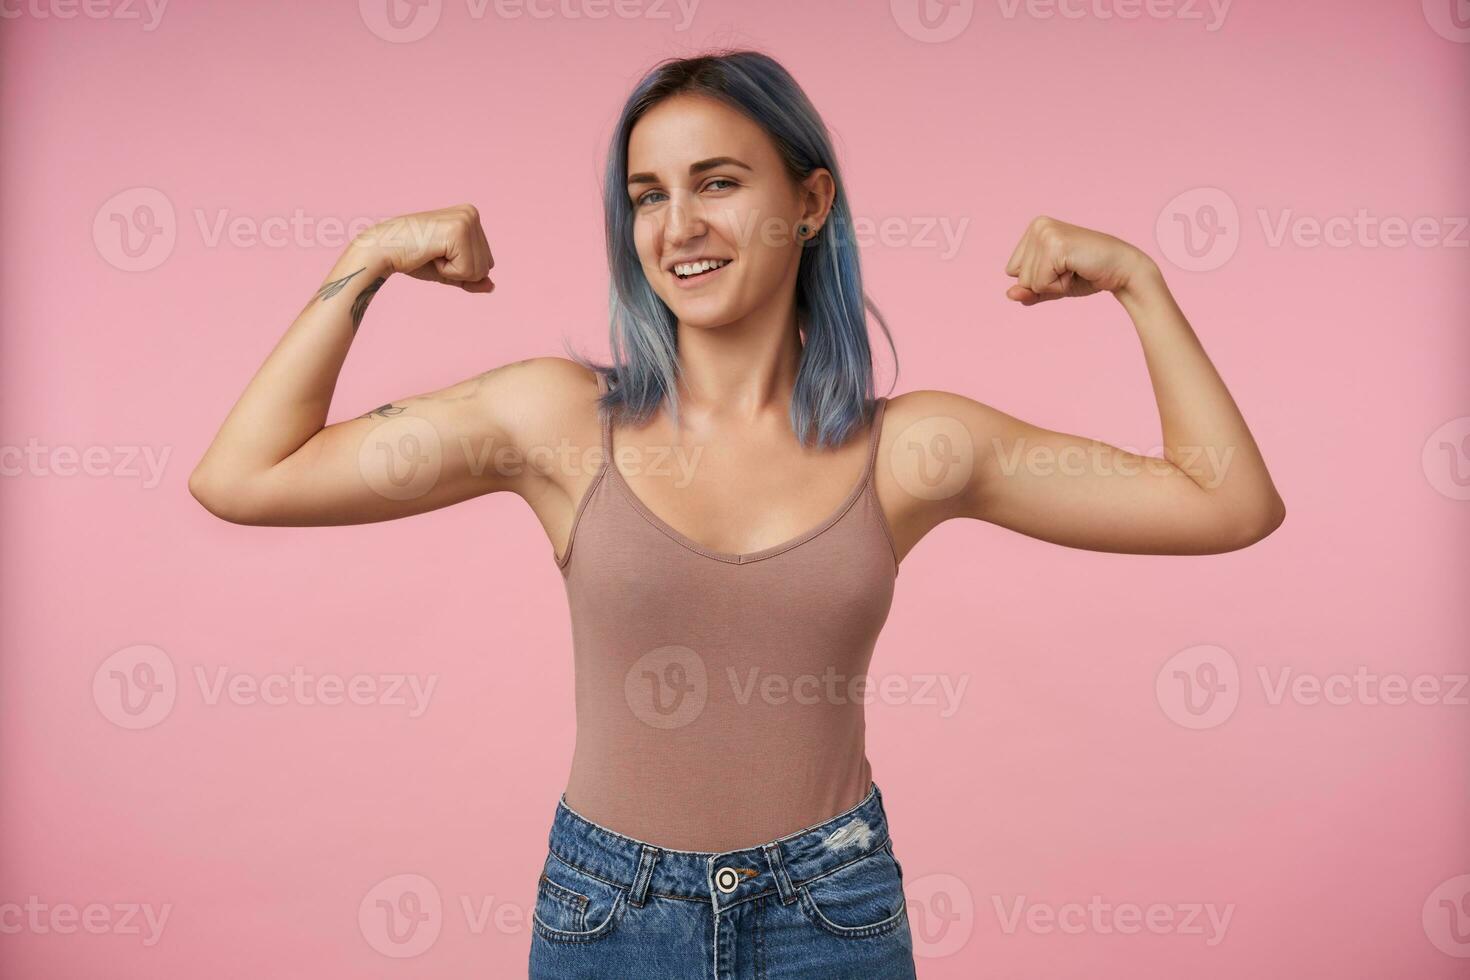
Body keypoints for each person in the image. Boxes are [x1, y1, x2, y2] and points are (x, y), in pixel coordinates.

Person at [189, 49, 1284, 980]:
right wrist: (365, 260)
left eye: (716, 182)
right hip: (606, 912)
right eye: (648, 193)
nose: (677, 226)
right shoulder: (554, 420)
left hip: (832, 911)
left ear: (809, 204)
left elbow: (1224, 500)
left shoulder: (913, 447)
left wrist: (1140, 281)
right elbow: (245, 474)